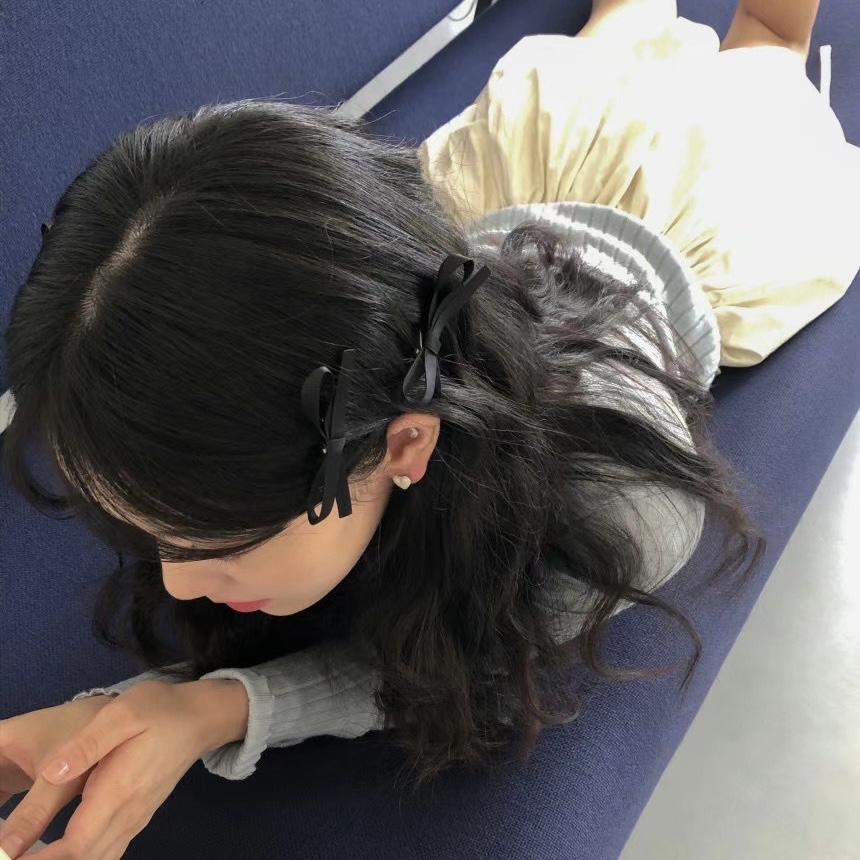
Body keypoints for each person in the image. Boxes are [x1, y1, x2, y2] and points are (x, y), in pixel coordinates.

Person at [6, 0, 848, 808]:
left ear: (406, 444)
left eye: (218, 538)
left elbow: (465, 664)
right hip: (523, 174)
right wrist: (180, 711)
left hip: (708, 207)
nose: (177, 581)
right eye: (151, 533)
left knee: (765, 43)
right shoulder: (349, 372)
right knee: (622, 19)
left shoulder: (623, 510)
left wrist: (225, 709)